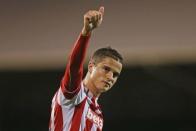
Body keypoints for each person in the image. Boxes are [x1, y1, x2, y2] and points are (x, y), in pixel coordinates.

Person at [49, 6, 123, 131]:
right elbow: (74, 67)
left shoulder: (98, 114)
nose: (110, 77)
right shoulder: (73, 94)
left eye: (115, 75)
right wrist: (86, 33)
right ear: (90, 67)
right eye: (106, 69)